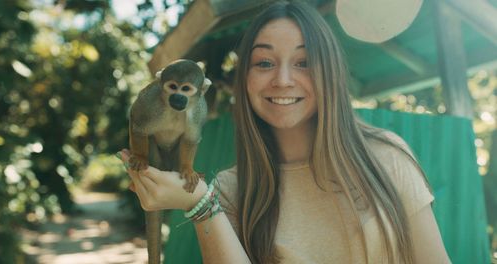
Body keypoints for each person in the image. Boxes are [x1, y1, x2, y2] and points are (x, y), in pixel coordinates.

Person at [118, 1, 450, 263]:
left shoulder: (386, 157)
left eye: (303, 62)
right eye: (264, 63)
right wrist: (201, 205)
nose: (283, 80)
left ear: (330, 73)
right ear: (244, 80)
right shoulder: (230, 189)